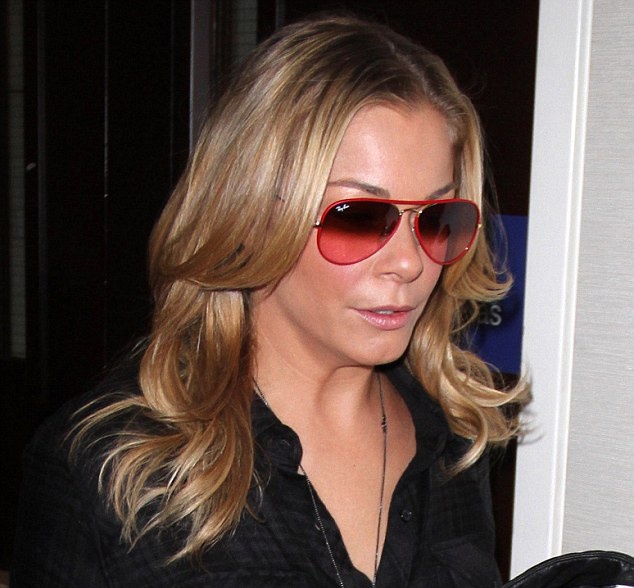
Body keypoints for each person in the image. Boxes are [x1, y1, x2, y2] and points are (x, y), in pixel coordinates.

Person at [12, 13, 528, 588]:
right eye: (359, 219)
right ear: (252, 217)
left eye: (437, 219)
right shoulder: (110, 467)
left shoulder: (457, 438)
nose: (409, 263)